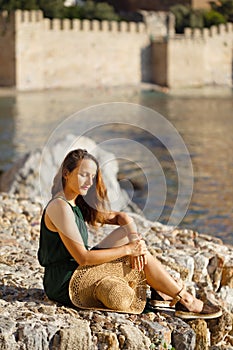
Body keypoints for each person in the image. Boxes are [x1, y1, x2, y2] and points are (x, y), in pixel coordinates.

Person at [38, 149, 222, 319]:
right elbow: (84, 258)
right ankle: (184, 298)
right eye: (83, 175)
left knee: (129, 238)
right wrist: (129, 250)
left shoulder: (75, 203)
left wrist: (134, 242)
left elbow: (121, 217)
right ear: (66, 173)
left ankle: (168, 293)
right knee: (134, 249)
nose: (89, 182)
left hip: (76, 271)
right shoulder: (59, 207)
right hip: (65, 282)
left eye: (92, 177)